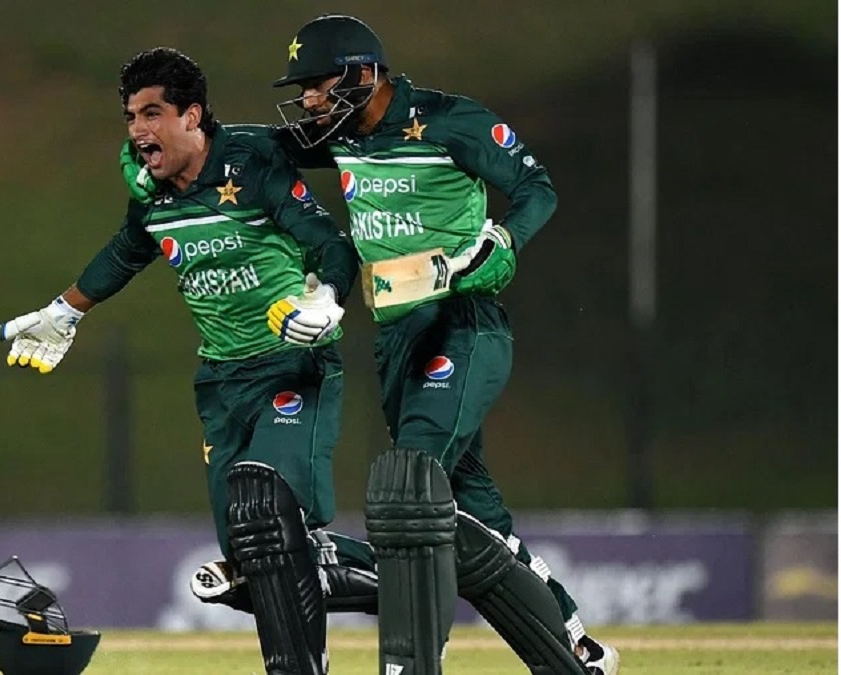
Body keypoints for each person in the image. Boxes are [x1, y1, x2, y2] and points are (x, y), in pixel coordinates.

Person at [121, 15, 619, 675]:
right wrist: (159, 162)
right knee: (469, 516)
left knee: (409, 494)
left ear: (362, 75)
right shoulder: (340, 134)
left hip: (460, 322)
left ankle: (380, 622)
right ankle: (576, 650)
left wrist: (504, 240)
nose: (308, 101)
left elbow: (536, 188)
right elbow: (244, 146)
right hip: (397, 339)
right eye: (302, 90)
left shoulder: (448, 121)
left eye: (317, 86)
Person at [0, 47, 362, 675]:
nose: (137, 130)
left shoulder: (250, 162)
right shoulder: (152, 189)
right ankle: (404, 577)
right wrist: (65, 311)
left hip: (291, 366)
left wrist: (327, 297)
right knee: (248, 565)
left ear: (192, 115)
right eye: (130, 117)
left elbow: (330, 241)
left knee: (266, 509)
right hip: (220, 382)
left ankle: (408, 580)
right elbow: (128, 249)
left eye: (151, 114)